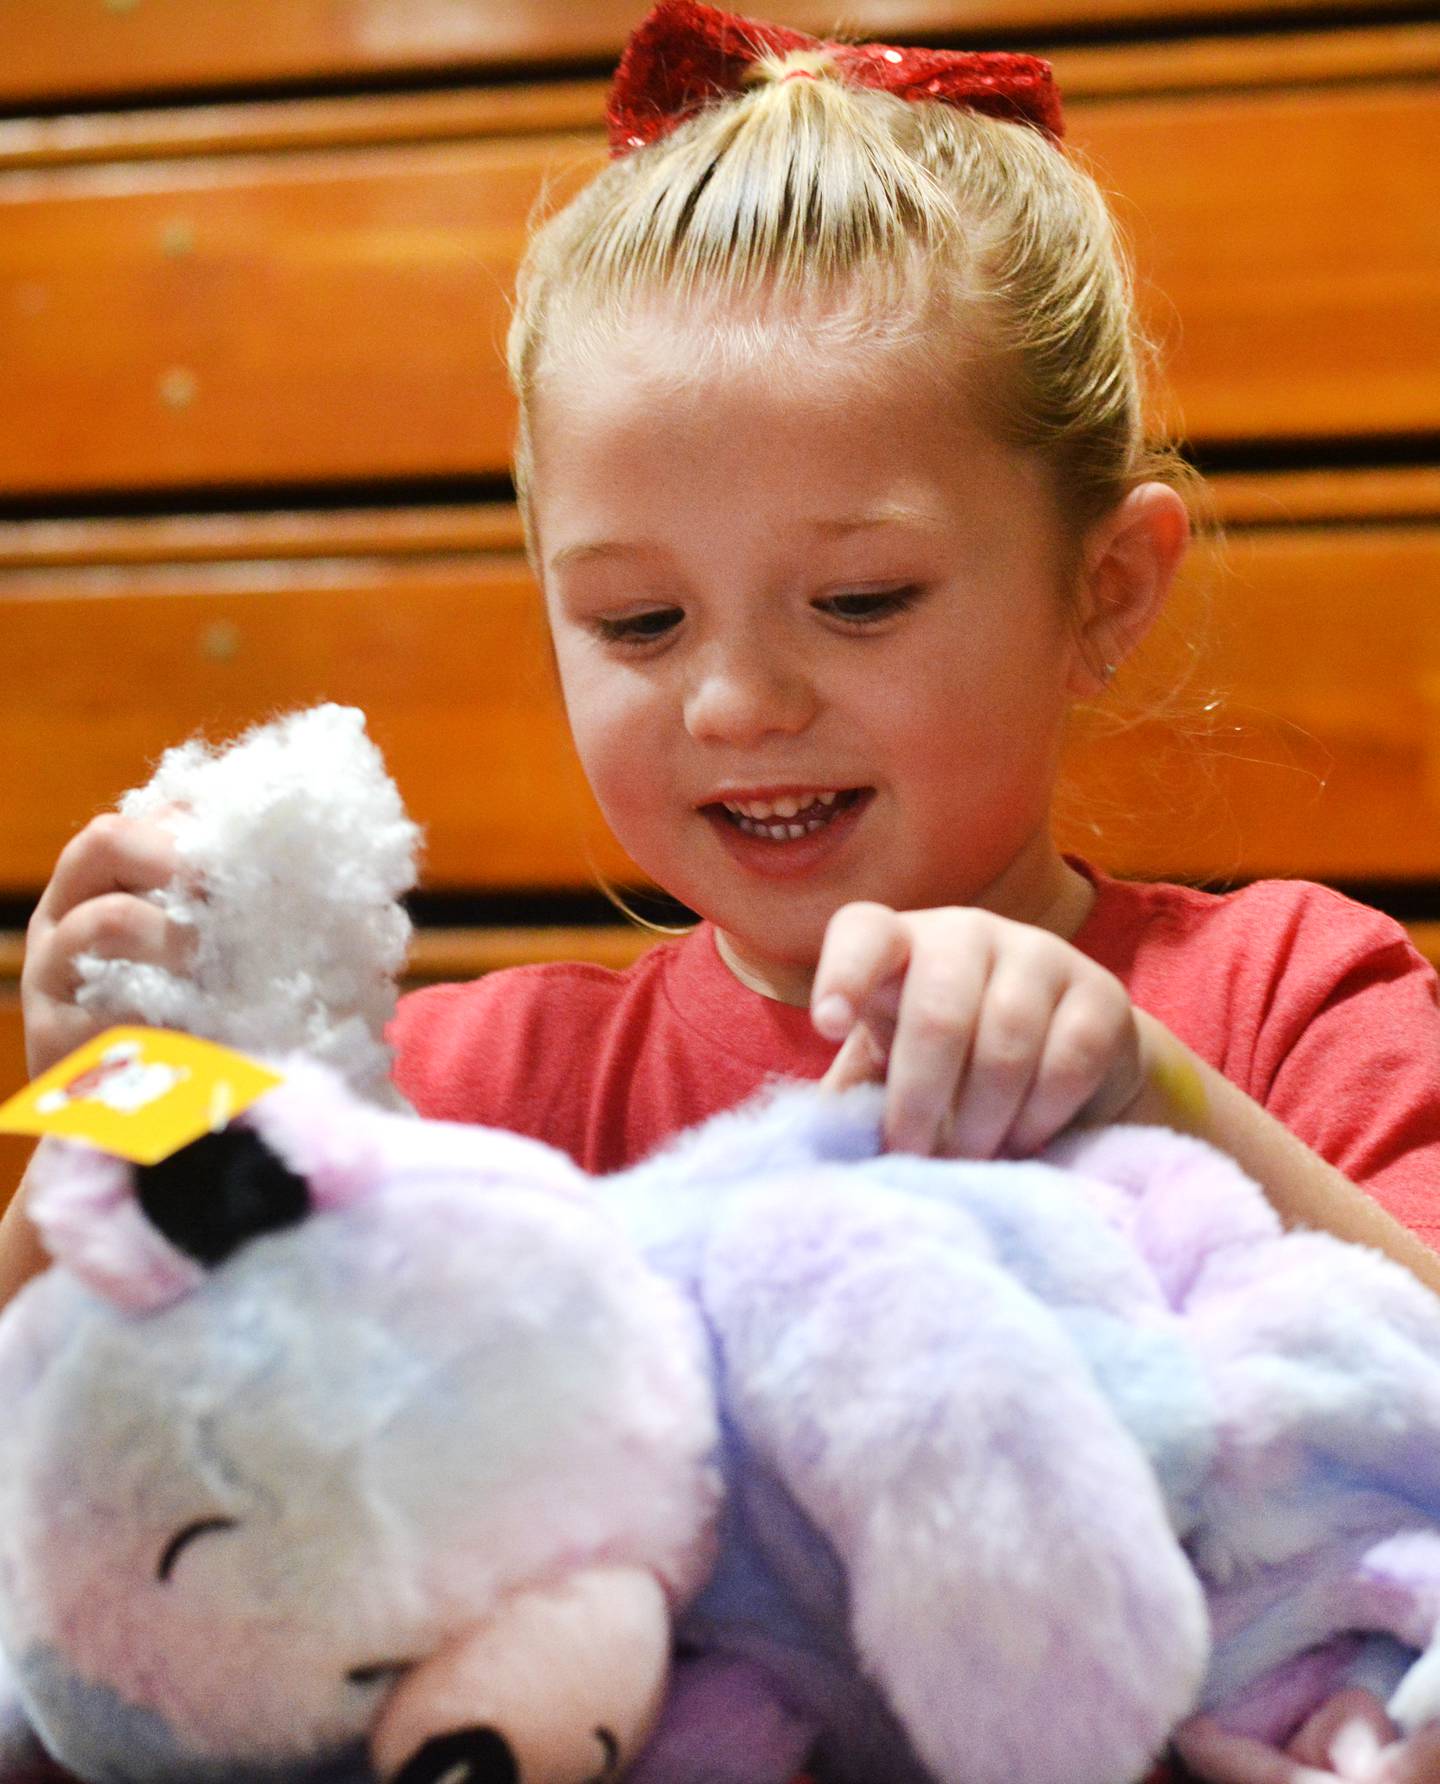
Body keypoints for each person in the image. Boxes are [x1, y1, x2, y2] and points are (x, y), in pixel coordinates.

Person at [5, 3, 1440, 1778]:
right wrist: (122, 1112)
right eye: (636, 622)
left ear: (1107, 587)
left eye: (859, 603)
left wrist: (1152, 1093)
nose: (736, 703)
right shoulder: (461, 1105)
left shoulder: (1292, 992)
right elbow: (105, 1537)